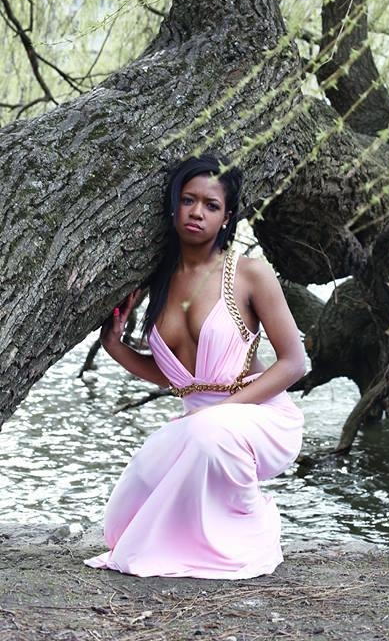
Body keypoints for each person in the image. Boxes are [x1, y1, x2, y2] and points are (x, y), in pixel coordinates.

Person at [85, 153, 306, 579]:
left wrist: (221, 412)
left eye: (211, 205)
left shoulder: (249, 274)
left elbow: (294, 362)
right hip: (197, 425)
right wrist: (114, 345)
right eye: (188, 200)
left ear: (227, 218)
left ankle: (251, 525)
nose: (197, 212)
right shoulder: (157, 279)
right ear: (173, 206)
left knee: (208, 434)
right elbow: (178, 379)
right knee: (120, 525)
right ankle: (193, 534)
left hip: (258, 417)